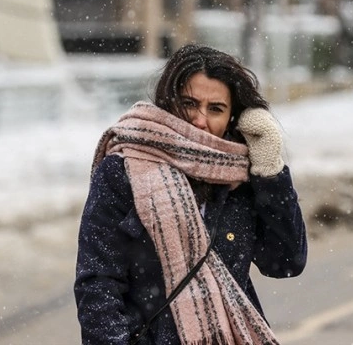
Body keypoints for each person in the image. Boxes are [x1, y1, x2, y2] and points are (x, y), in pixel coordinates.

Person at [74, 44, 307, 344]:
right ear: (168, 102)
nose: (200, 120)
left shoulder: (240, 178)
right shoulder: (124, 170)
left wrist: (269, 170)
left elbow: (286, 261)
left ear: (233, 118)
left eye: (216, 109)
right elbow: (97, 284)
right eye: (189, 103)